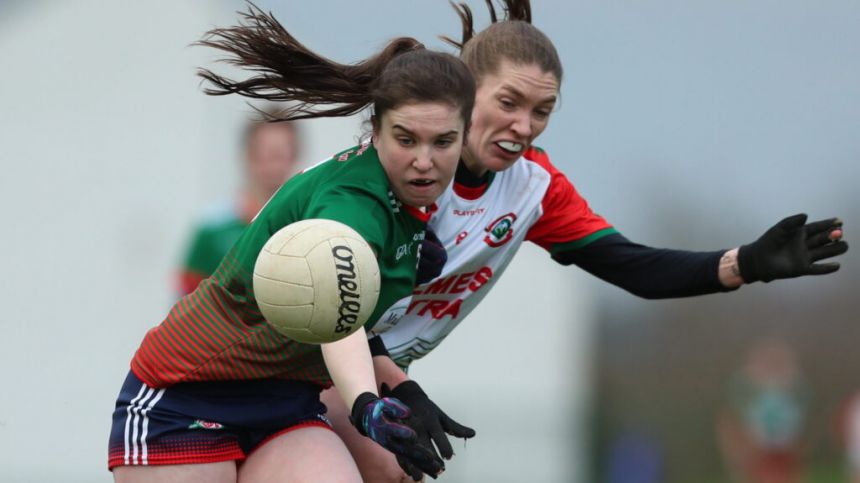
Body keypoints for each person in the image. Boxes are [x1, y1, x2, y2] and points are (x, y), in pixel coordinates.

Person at [317, 1, 850, 481]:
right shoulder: (404, 167)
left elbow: (634, 267)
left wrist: (749, 262)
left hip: (375, 372)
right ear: (465, 89)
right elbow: (335, 302)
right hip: (313, 351)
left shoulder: (533, 188)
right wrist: (396, 386)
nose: (524, 125)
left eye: (541, 111)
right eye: (509, 102)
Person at [107, 6, 476, 483]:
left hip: (284, 406)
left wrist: (405, 393)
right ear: (376, 131)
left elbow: (359, 324)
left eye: (442, 142)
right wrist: (366, 405)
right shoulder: (353, 204)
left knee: (383, 471)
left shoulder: (406, 202)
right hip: (187, 399)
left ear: (463, 137)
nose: (424, 162)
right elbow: (336, 315)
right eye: (406, 139)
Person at [179, 111, 301, 296]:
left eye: (281, 154)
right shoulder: (212, 228)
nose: (273, 165)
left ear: (294, 157)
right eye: (264, 153)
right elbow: (184, 304)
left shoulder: (306, 228)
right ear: (247, 155)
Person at [716, 338, 809, 483]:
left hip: (783, 448)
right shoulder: (746, 392)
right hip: (758, 448)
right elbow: (731, 420)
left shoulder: (791, 391)